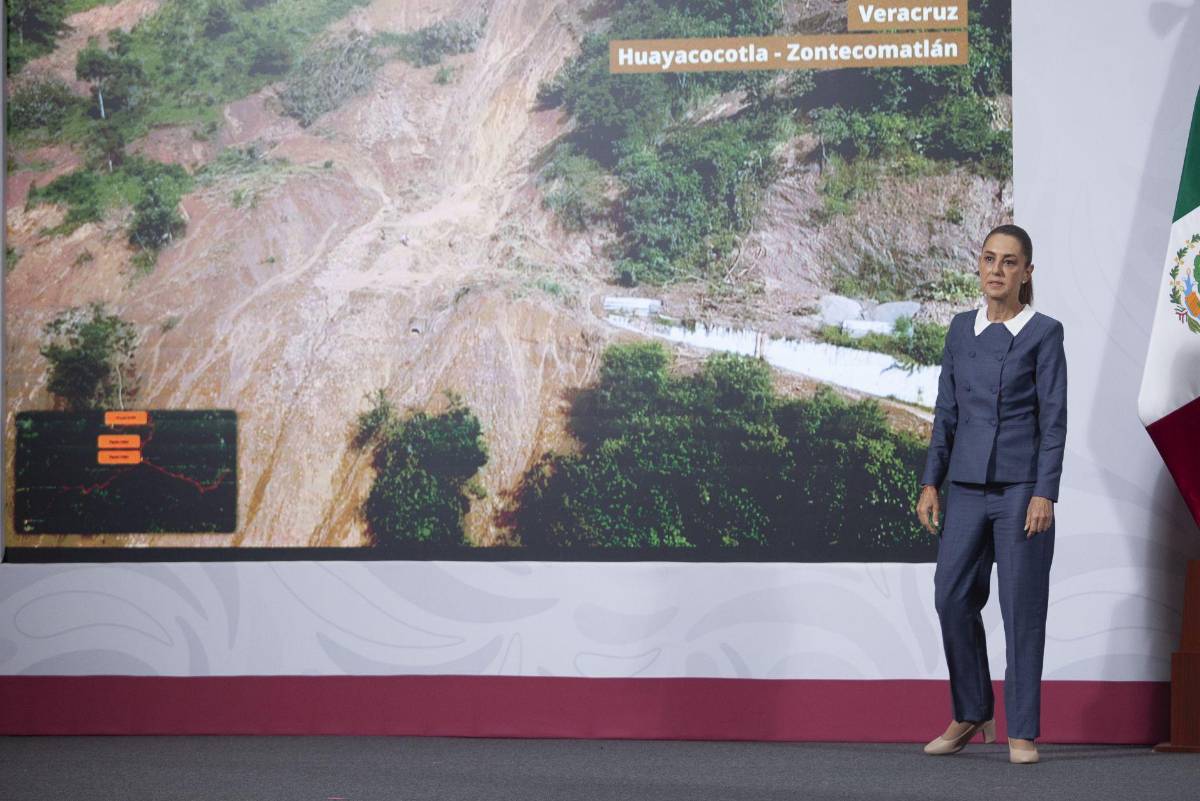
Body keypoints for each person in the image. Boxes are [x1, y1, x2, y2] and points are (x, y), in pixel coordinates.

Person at [914, 224, 1067, 765]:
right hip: (965, 488)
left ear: (1027, 272)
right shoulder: (961, 329)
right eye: (988, 259)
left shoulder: (1044, 333)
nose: (996, 270)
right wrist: (931, 481)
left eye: (1009, 261)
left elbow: (1053, 421)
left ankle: (1021, 730)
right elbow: (946, 412)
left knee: (1021, 609)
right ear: (979, 266)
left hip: (1022, 490)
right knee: (950, 597)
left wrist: (1045, 492)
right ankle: (973, 709)